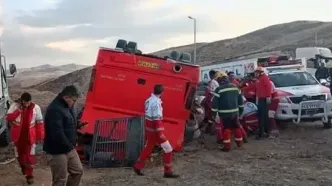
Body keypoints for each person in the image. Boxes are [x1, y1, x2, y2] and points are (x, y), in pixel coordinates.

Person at [134, 84, 179, 178]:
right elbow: (157, 119)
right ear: (162, 92)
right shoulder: (156, 103)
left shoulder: (148, 100)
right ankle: (168, 171)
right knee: (168, 149)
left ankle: (138, 166)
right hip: (156, 131)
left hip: (150, 131)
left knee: (148, 148)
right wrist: (160, 133)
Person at [43, 85, 84, 186]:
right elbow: (57, 133)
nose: (74, 103)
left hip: (69, 148)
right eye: (73, 100)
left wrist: (77, 124)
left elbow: (67, 122)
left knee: (78, 171)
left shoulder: (68, 106)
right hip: (57, 151)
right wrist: (70, 146)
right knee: (60, 180)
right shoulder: (54, 109)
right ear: (66, 97)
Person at [6, 92, 44, 185]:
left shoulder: (36, 108)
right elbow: (9, 118)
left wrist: (40, 136)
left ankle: (29, 175)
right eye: (25, 103)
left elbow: (39, 122)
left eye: (28, 102)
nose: (27, 105)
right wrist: (18, 111)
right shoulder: (14, 106)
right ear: (22, 101)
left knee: (30, 156)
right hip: (18, 137)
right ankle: (23, 165)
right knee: (19, 155)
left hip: (30, 137)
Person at [211, 72, 244, 152]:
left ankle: (227, 146)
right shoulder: (235, 87)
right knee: (236, 127)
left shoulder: (219, 89)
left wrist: (213, 114)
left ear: (219, 80)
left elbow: (214, 104)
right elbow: (240, 101)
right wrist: (241, 111)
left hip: (224, 113)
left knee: (226, 129)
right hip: (235, 113)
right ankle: (240, 143)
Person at [254, 67, 272, 140]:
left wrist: (268, 96)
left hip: (264, 99)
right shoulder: (259, 79)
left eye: (257, 72)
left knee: (264, 116)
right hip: (261, 99)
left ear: (260, 72)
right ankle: (262, 131)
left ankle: (265, 132)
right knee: (261, 116)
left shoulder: (264, 78)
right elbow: (258, 90)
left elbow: (268, 87)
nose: (255, 73)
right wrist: (257, 98)